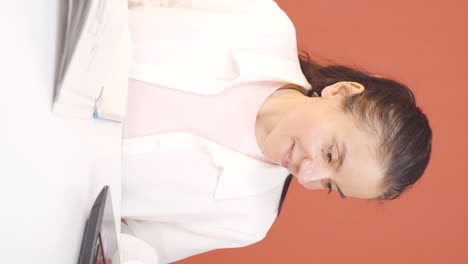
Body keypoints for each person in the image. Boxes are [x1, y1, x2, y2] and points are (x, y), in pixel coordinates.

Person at [120, 0, 432, 263]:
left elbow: (117, 247)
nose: (307, 176)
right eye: (330, 153)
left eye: (328, 185)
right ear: (341, 92)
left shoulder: (245, 219)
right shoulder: (261, 23)